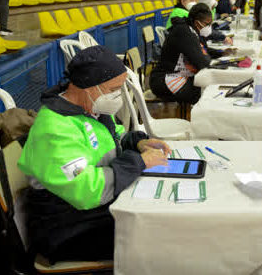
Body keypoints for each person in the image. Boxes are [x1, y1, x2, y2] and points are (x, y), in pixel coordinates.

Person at [19, 45, 171, 263]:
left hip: (93, 213)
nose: (119, 96)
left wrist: (138, 144)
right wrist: (138, 162)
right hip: (67, 228)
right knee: (155, 238)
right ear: (90, 88)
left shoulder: (90, 111)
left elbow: (113, 138)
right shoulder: (53, 129)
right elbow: (87, 191)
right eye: (114, 89)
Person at [150, 3, 213, 104]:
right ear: (197, 22)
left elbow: (204, 51)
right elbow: (201, 61)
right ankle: (193, 118)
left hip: (177, 75)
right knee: (204, 91)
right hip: (164, 79)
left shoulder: (191, 30)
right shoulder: (184, 32)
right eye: (207, 24)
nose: (209, 27)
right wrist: (206, 58)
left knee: (204, 85)